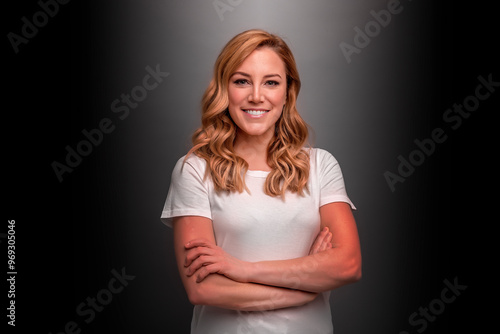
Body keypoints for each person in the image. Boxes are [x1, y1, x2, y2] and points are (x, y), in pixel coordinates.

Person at [161, 29, 361, 334]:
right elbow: (205, 289)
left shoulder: (321, 165)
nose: (257, 95)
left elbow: (347, 264)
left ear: (287, 92)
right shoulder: (194, 169)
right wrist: (304, 289)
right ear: (224, 89)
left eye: (271, 82)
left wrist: (242, 269)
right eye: (242, 81)